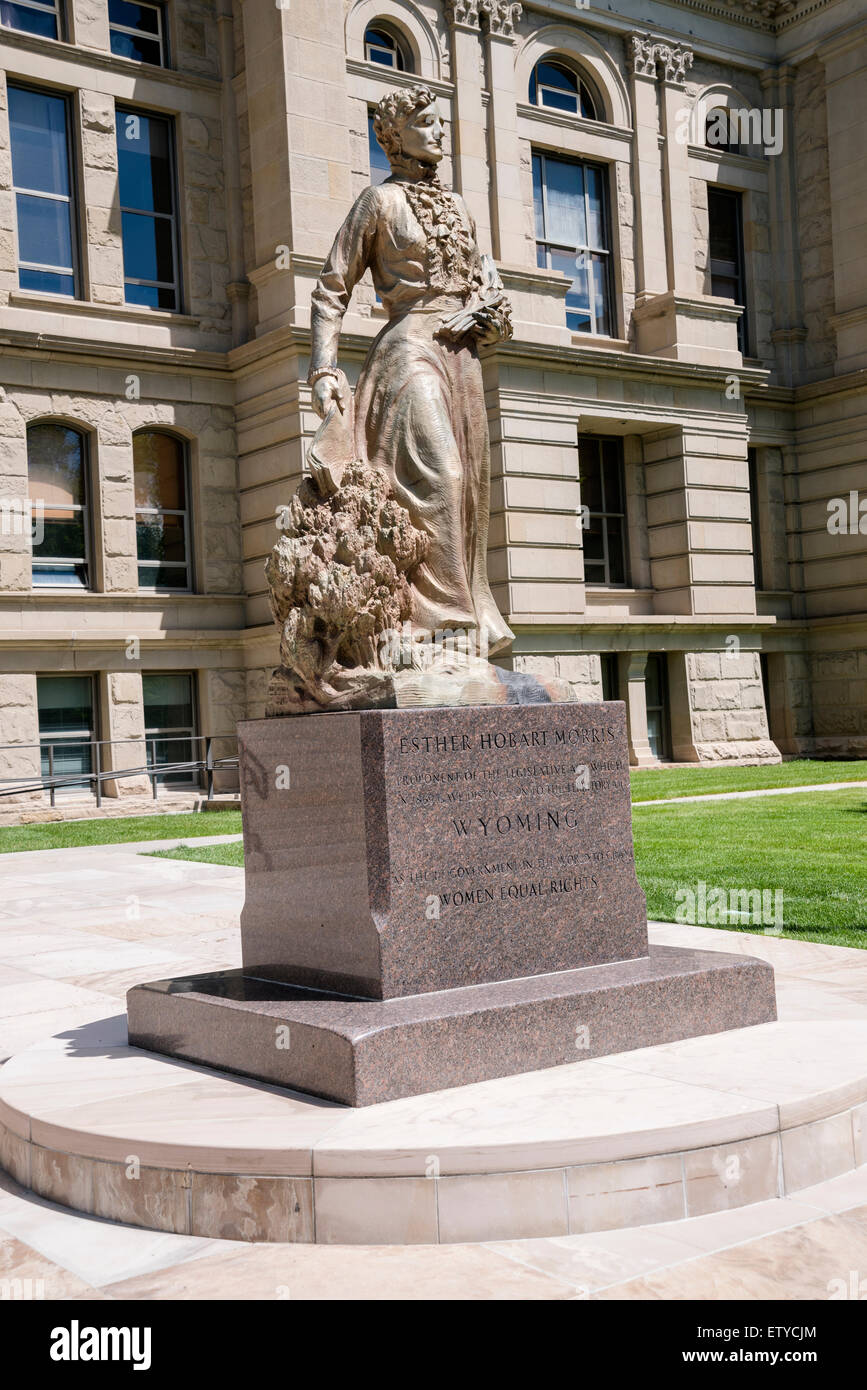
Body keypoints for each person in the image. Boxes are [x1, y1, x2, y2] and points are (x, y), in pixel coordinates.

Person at [307, 84, 515, 658]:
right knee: (443, 477)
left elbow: (488, 291)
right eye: (427, 122)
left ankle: (469, 617)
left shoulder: (462, 208)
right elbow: (331, 289)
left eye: (441, 122)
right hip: (408, 350)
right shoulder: (377, 203)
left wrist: (493, 319)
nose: (441, 131)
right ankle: (444, 626)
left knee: (471, 493)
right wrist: (323, 369)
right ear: (395, 137)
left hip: (463, 356)